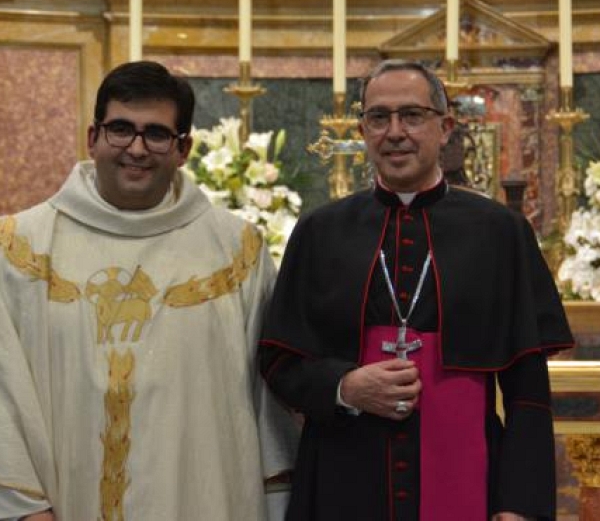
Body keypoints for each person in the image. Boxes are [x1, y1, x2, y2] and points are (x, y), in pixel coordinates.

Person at [259, 60, 574, 521]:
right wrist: (345, 386)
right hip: (343, 478)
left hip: (467, 474)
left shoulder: (500, 233)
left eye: (411, 115)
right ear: (363, 129)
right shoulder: (319, 231)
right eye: (378, 117)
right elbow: (278, 361)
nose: (394, 132)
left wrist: (519, 506)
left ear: (445, 127)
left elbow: (528, 390)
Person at [0, 61, 295, 521]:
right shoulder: (18, 249)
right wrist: (22, 507)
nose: (136, 148)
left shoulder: (236, 252)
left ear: (183, 149)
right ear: (92, 137)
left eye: (156, 134)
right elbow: (4, 391)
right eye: (121, 129)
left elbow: (266, 402)